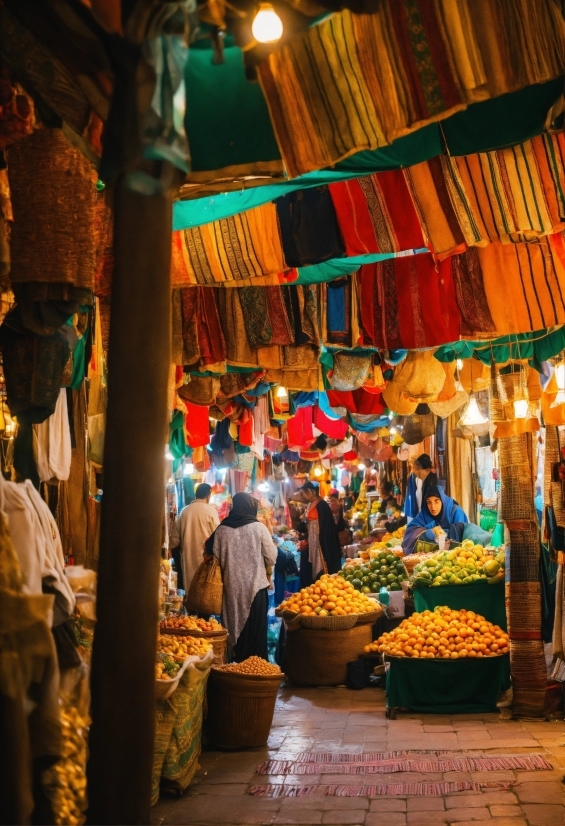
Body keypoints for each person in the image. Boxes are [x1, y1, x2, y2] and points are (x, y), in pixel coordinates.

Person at [204, 492, 277, 661]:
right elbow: (272, 556)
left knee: (232, 627)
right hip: (256, 589)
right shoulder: (258, 528)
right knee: (255, 634)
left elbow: (210, 552)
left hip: (231, 590)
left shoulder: (222, 529)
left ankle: (235, 671)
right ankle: (256, 671)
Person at [170, 483, 219, 592]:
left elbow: (174, 540)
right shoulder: (211, 512)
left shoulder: (184, 511)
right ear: (208, 496)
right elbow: (218, 536)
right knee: (204, 592)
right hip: (206, 558)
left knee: (190, 589)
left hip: (188, 557)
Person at [291, 481, 342, 586]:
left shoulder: (321, 505)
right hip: (315, 543)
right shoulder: (313, 504)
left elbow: (323, 528)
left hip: (322, 544)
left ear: (310, 492)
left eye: (303, 493)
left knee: (323, 570)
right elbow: (311, 525)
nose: (302, 496)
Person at [402, 485, 468, 555]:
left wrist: (442, 533)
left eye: (436, 501)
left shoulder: (455, 511)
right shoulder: (424, 514)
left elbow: (461, 536)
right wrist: (429, 533)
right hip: (429, 560)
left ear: (442, 500)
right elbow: (409, 534)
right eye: (429, 502)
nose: (433, 507)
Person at [404, 454, 438, 521]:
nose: (415, 472)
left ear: (425, 469)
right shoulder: (426, 481)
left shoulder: (432, 482)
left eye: (417, 469)